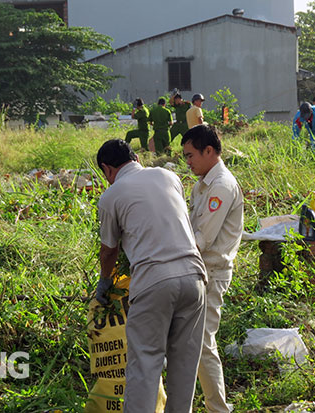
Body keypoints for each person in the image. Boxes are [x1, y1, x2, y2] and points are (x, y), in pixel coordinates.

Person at [95, 139, 207, 412]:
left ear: (107, 169)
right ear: (135, 157)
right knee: (184, 363)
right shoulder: (168, 176)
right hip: (194, 277)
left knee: (145, 363)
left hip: (154, 281)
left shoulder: (112, 195)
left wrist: (105, 281)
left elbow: (110, 250)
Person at [182, 124, 243, 413]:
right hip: (196, 270)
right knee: (188, 342)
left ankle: (218, 408)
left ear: (209, 151)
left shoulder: (221, 185)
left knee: (203, 343)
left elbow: (201, 238)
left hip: (212, 272)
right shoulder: (202, 183)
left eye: (191, 155)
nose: (188, 162)